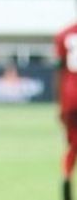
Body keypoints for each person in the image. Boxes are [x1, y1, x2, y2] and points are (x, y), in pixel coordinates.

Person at [55, 21, 77, 200]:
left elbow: (59, 70)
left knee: (72, 144)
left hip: (70, 98)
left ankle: (67, 176)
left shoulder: (64, 34)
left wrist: (59, 104)